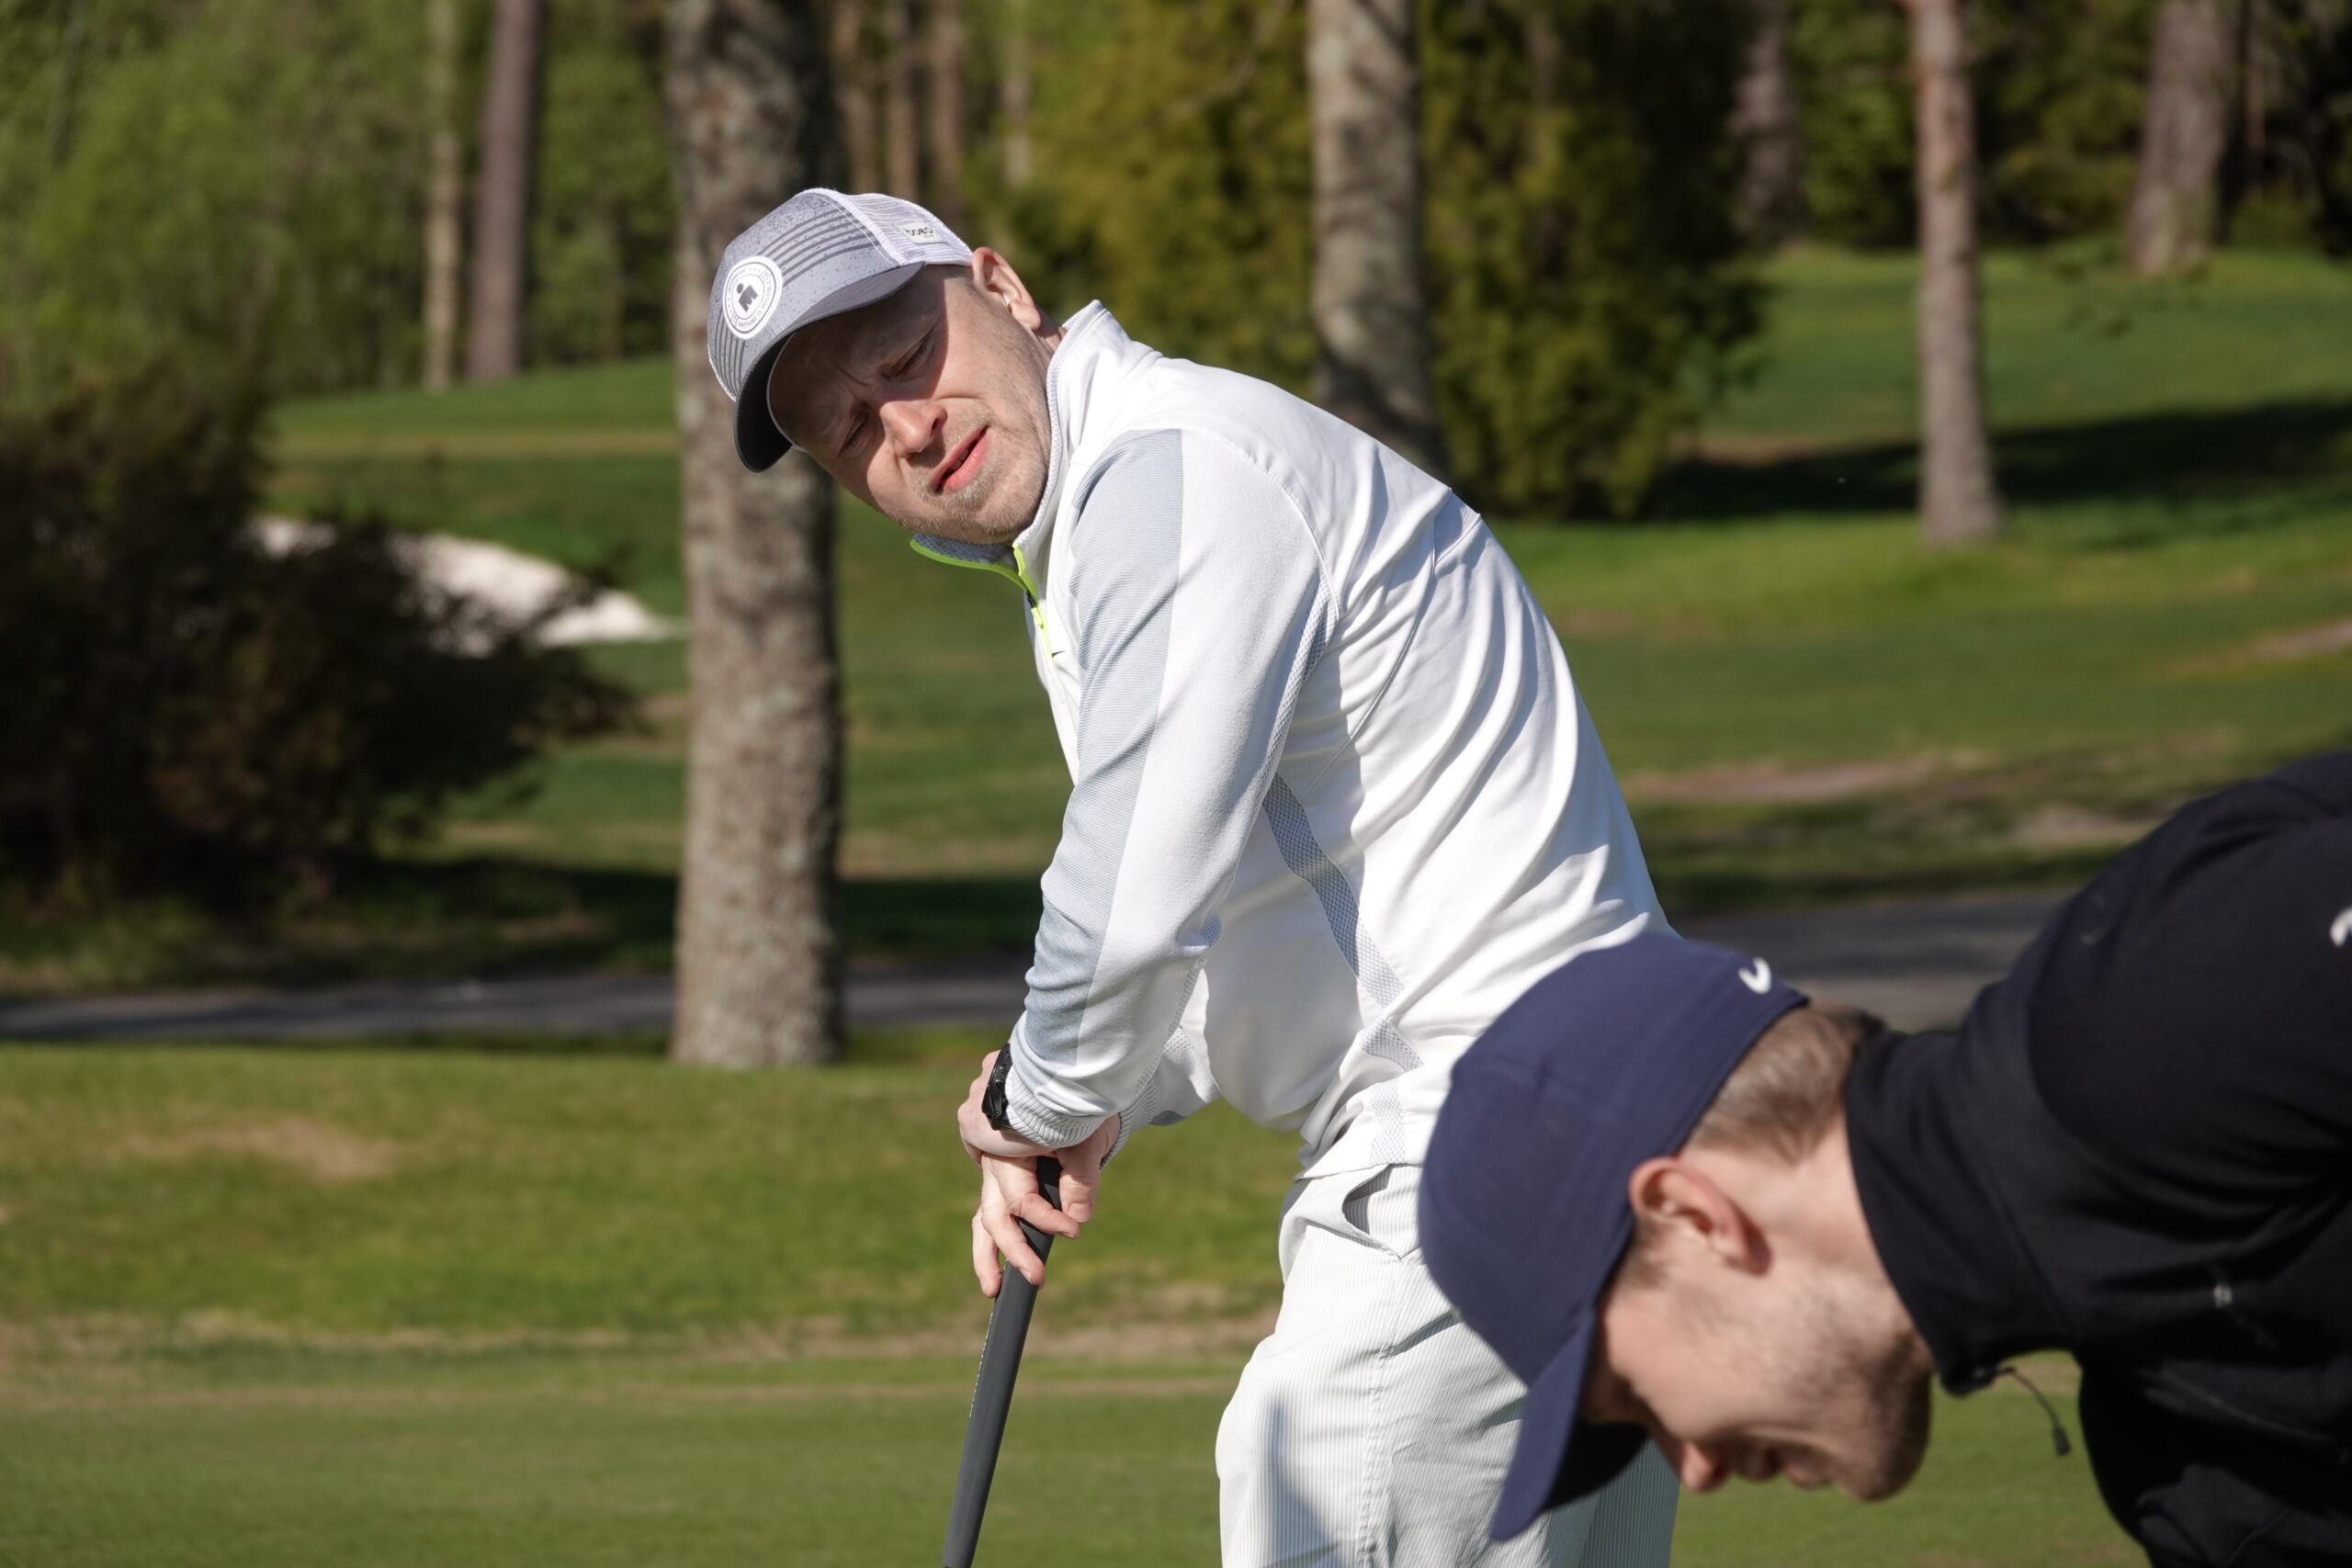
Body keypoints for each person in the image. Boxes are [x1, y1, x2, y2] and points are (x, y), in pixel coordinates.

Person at [701, 188, 1680, 1567]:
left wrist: (1039, 1097)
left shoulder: (1173, 470)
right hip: (1596, 1118)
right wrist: (1106, 1092)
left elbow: (1134, 898)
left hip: (1488, 1127)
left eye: (905, 356)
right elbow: (1258, 902)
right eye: (847, 431)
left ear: (1003, 287)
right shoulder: (1116, 506)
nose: (905, 428)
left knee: (1305, 1486)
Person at [1419, 751, 2352, 1567]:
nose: (1693, 1466)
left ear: (1693, 1217)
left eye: (1632, 1396)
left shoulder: (2148, 1022)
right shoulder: (2194, 1485)